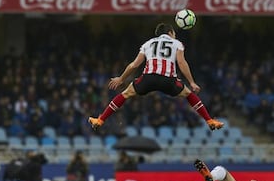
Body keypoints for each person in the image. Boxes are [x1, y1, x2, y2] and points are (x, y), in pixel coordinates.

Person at [88, 23, 224, 131]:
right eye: (174, 33)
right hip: (168, 80)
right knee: (189, 94)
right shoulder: (177, 43)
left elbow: (134, 65)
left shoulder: (148, 43)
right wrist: (192, 82)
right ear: (170, 33)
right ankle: (209, 120)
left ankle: (100, 120)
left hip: (148, 79)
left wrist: (121, 79)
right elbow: (181, 63)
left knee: (125, 94)